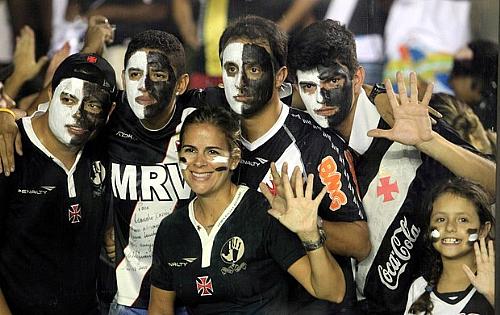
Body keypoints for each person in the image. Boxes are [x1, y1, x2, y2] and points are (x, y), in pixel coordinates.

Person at [287, 19, 496, 314]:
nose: (321, 96)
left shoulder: (403, 117)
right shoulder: (302, 145)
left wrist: (430, 142)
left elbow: (492, 184)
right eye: (309, 86)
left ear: (357, 77)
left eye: (333, 81)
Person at [213, 15, 368, 313]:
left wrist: (309, 224)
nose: (240, 82)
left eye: (255, 68)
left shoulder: (316, 143)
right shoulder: (212, 134)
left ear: (281, 75)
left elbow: (360, 241)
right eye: (231, 69)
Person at [149, 105, 345, 314]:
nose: (199, 163)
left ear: (234, 159)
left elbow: (332, 292)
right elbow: (160, 308)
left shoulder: (263, 212)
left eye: (212, 152)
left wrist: (310, 234)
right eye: (190, 150)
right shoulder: (170, 229)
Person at [0, 52, 116, 314]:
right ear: (51, 93)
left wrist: (111, 228)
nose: (78, 115)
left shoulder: (103, 149)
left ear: (109, 112)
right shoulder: (8, 148)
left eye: (93, 106)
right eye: (68, 98)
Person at [404, 177, 494, 314]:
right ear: (429, 228)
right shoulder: (419, 287)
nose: (450, 227)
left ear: (483, 230)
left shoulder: (494, 281)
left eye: (463, 220)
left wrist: (492, 294)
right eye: (441, 219)